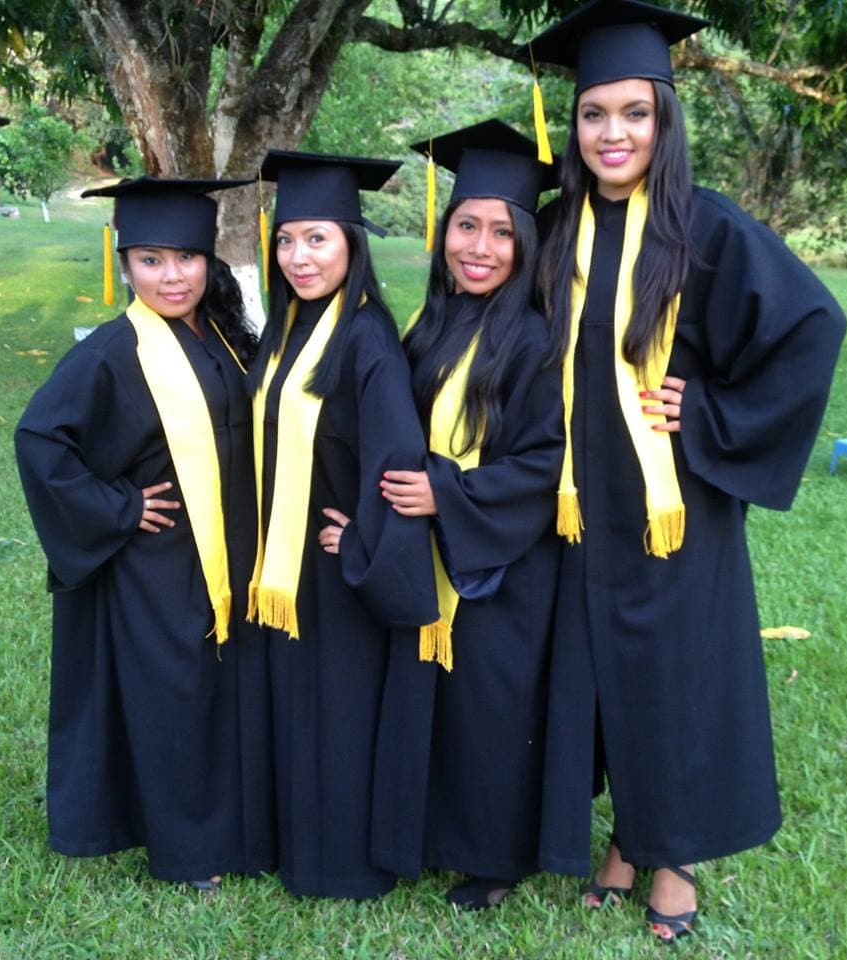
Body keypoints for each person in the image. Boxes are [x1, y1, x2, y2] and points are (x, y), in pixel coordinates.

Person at [531, 0, 847, 941]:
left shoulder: (704, 227)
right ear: (575, 124)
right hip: (577, 500)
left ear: (664, 119)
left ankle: (673, 860)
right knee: (591, 670)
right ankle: (625, 839)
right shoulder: (553, 229)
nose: (612, 132)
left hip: (674, 503)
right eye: (594, 114)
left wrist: (708, 411)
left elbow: (809, 327)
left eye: (634, 112)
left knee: (669, 676)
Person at [14, 177, 275, 888]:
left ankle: (238, 827)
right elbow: (40, 441)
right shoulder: (111, 350)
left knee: (221, 690)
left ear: (209, 261)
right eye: (151, 259)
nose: (171, 275)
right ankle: (189, 854)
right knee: (177, 695)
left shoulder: (219, 330)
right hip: (158, 563)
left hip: (227, 550)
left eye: (186, 258)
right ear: (125, 263)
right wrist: (120, 508)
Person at [369, 121, 564, 910]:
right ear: (442, 230)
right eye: (464, 225)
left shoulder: (535, 340)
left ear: (525, 242)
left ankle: (495, 858)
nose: (478, 247)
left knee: (490, 707)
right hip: (430, 552)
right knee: (433, 697)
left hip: (503, 565)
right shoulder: (429, 324)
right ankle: (424, 830)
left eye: (500, 232)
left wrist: (445, 494)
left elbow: (545, 464)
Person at [248, 150, 438, 899]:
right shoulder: (290, 329)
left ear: (352, 246)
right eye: (287, 240)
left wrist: (361, 544)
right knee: (302, 711)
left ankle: (343, 866)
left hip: (335, 575)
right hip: (286, 569)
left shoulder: (366, 342)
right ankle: (295, 842)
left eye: (318, 239)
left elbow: (398, 463)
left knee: (338, 715)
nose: (299, 257)